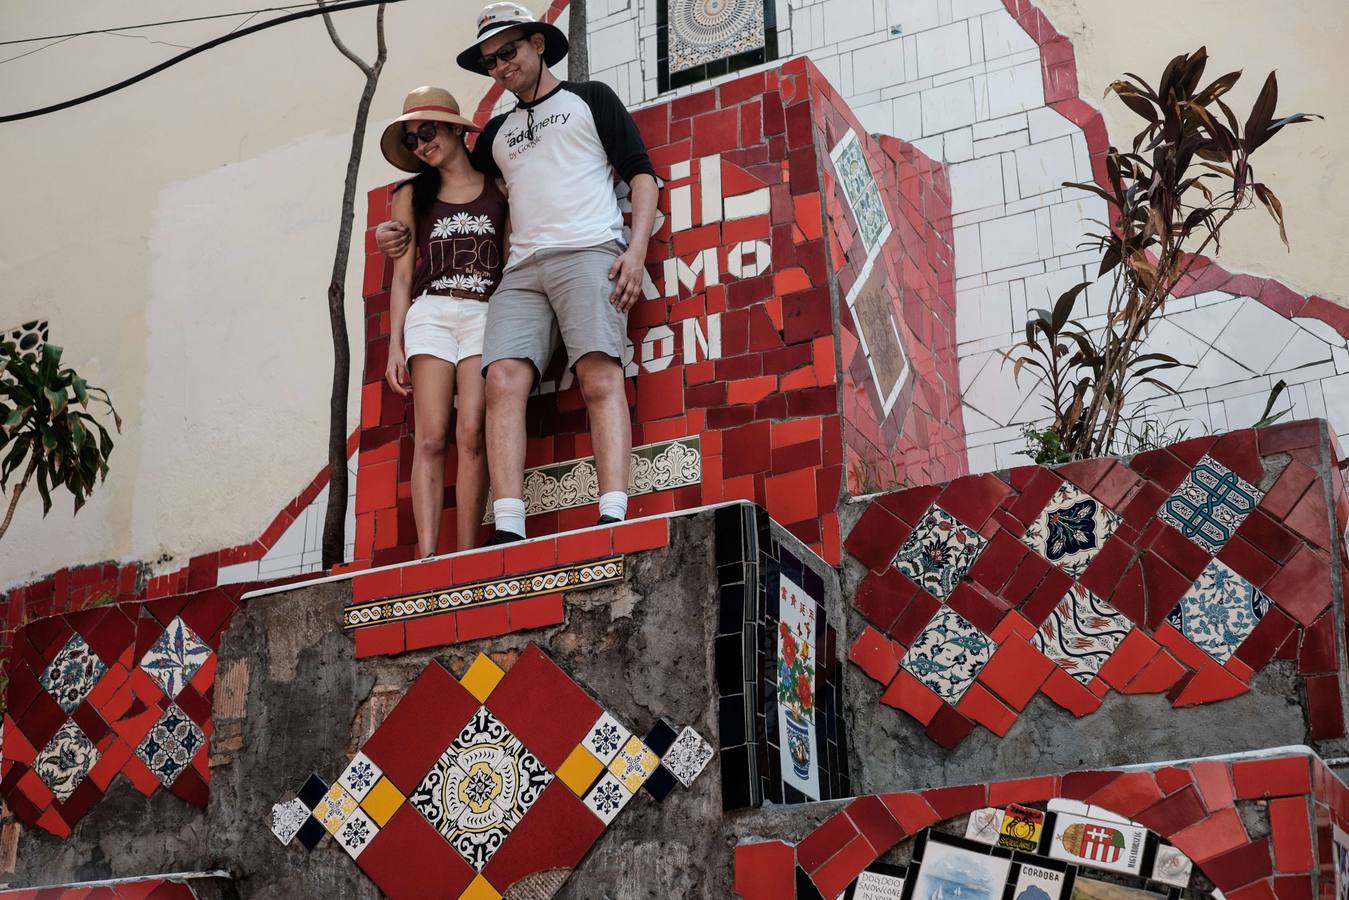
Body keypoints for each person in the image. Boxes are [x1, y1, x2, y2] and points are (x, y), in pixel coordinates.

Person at [377, 2, 658, 545]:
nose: (500, 67)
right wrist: (396, 232)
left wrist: (636, 249)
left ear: (538, 43)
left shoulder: (590, 98)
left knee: (599, 375)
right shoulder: (496, 132)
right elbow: (456, 193)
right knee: (503, 382)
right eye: (489, 61)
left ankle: (613, 512)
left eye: (508, 51)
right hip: (521, 269)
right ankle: (507, 525)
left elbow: (643, 176)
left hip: (588, 250)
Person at [379, 86, 508, 556]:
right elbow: (402, 277)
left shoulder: (499, 187)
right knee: (431, 436)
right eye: (412, 140)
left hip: (484, 313)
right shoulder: (411, 195)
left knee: (472, 431)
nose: (421, 145)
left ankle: (466, 552)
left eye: (428, 132)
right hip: (430, 312)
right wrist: (395, 347)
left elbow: (511, 258)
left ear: (456, 129)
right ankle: (428, 557)